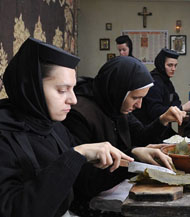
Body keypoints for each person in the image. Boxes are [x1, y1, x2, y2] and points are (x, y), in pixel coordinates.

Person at [0, 37, 133, 217]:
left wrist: (132, 161)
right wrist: (75, 156)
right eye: (62, 90)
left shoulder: (54, 127)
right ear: (32, 87)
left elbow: (85, 183)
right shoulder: (4, 135)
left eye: (73, 89)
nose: (73, 99)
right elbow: (16, 209)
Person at [62, 56, 186, 215]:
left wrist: (162, 121)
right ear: (118, 89)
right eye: (135, 97)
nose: (139, 105)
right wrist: (132, 160)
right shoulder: (79, 114)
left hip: (115, 189)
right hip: (88, 204)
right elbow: (85, 180)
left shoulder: (115, 104)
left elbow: (140, 136)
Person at [133, 48, 190, 141]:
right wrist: (182, 108)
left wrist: (178, 107)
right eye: (170, 65)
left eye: (175, 65)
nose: (173, 69)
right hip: (149, 131)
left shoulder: (167, 82)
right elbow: (155, 111)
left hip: (163, 129)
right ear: (161, 65)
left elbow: (176, 100)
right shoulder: (154, 82)